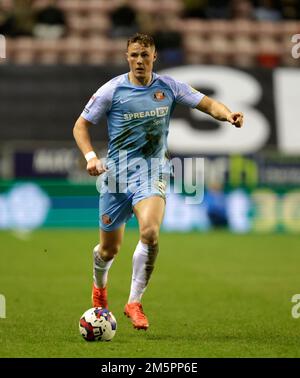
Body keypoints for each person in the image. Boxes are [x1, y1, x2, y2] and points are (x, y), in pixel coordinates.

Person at [73, 33, 244, 331]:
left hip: (152, 171)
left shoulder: (169, 87)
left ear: (155, 57)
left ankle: (134, 302)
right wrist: (89, 156)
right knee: (108, 250)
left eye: (145, 55)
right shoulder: (111, 91)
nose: (140, 60)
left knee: (150, 232)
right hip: (115, 176)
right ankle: (99, 289)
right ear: (127, 57)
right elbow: (81, 126)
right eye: (135, 55)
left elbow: (207, 104)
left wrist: (227, 114)